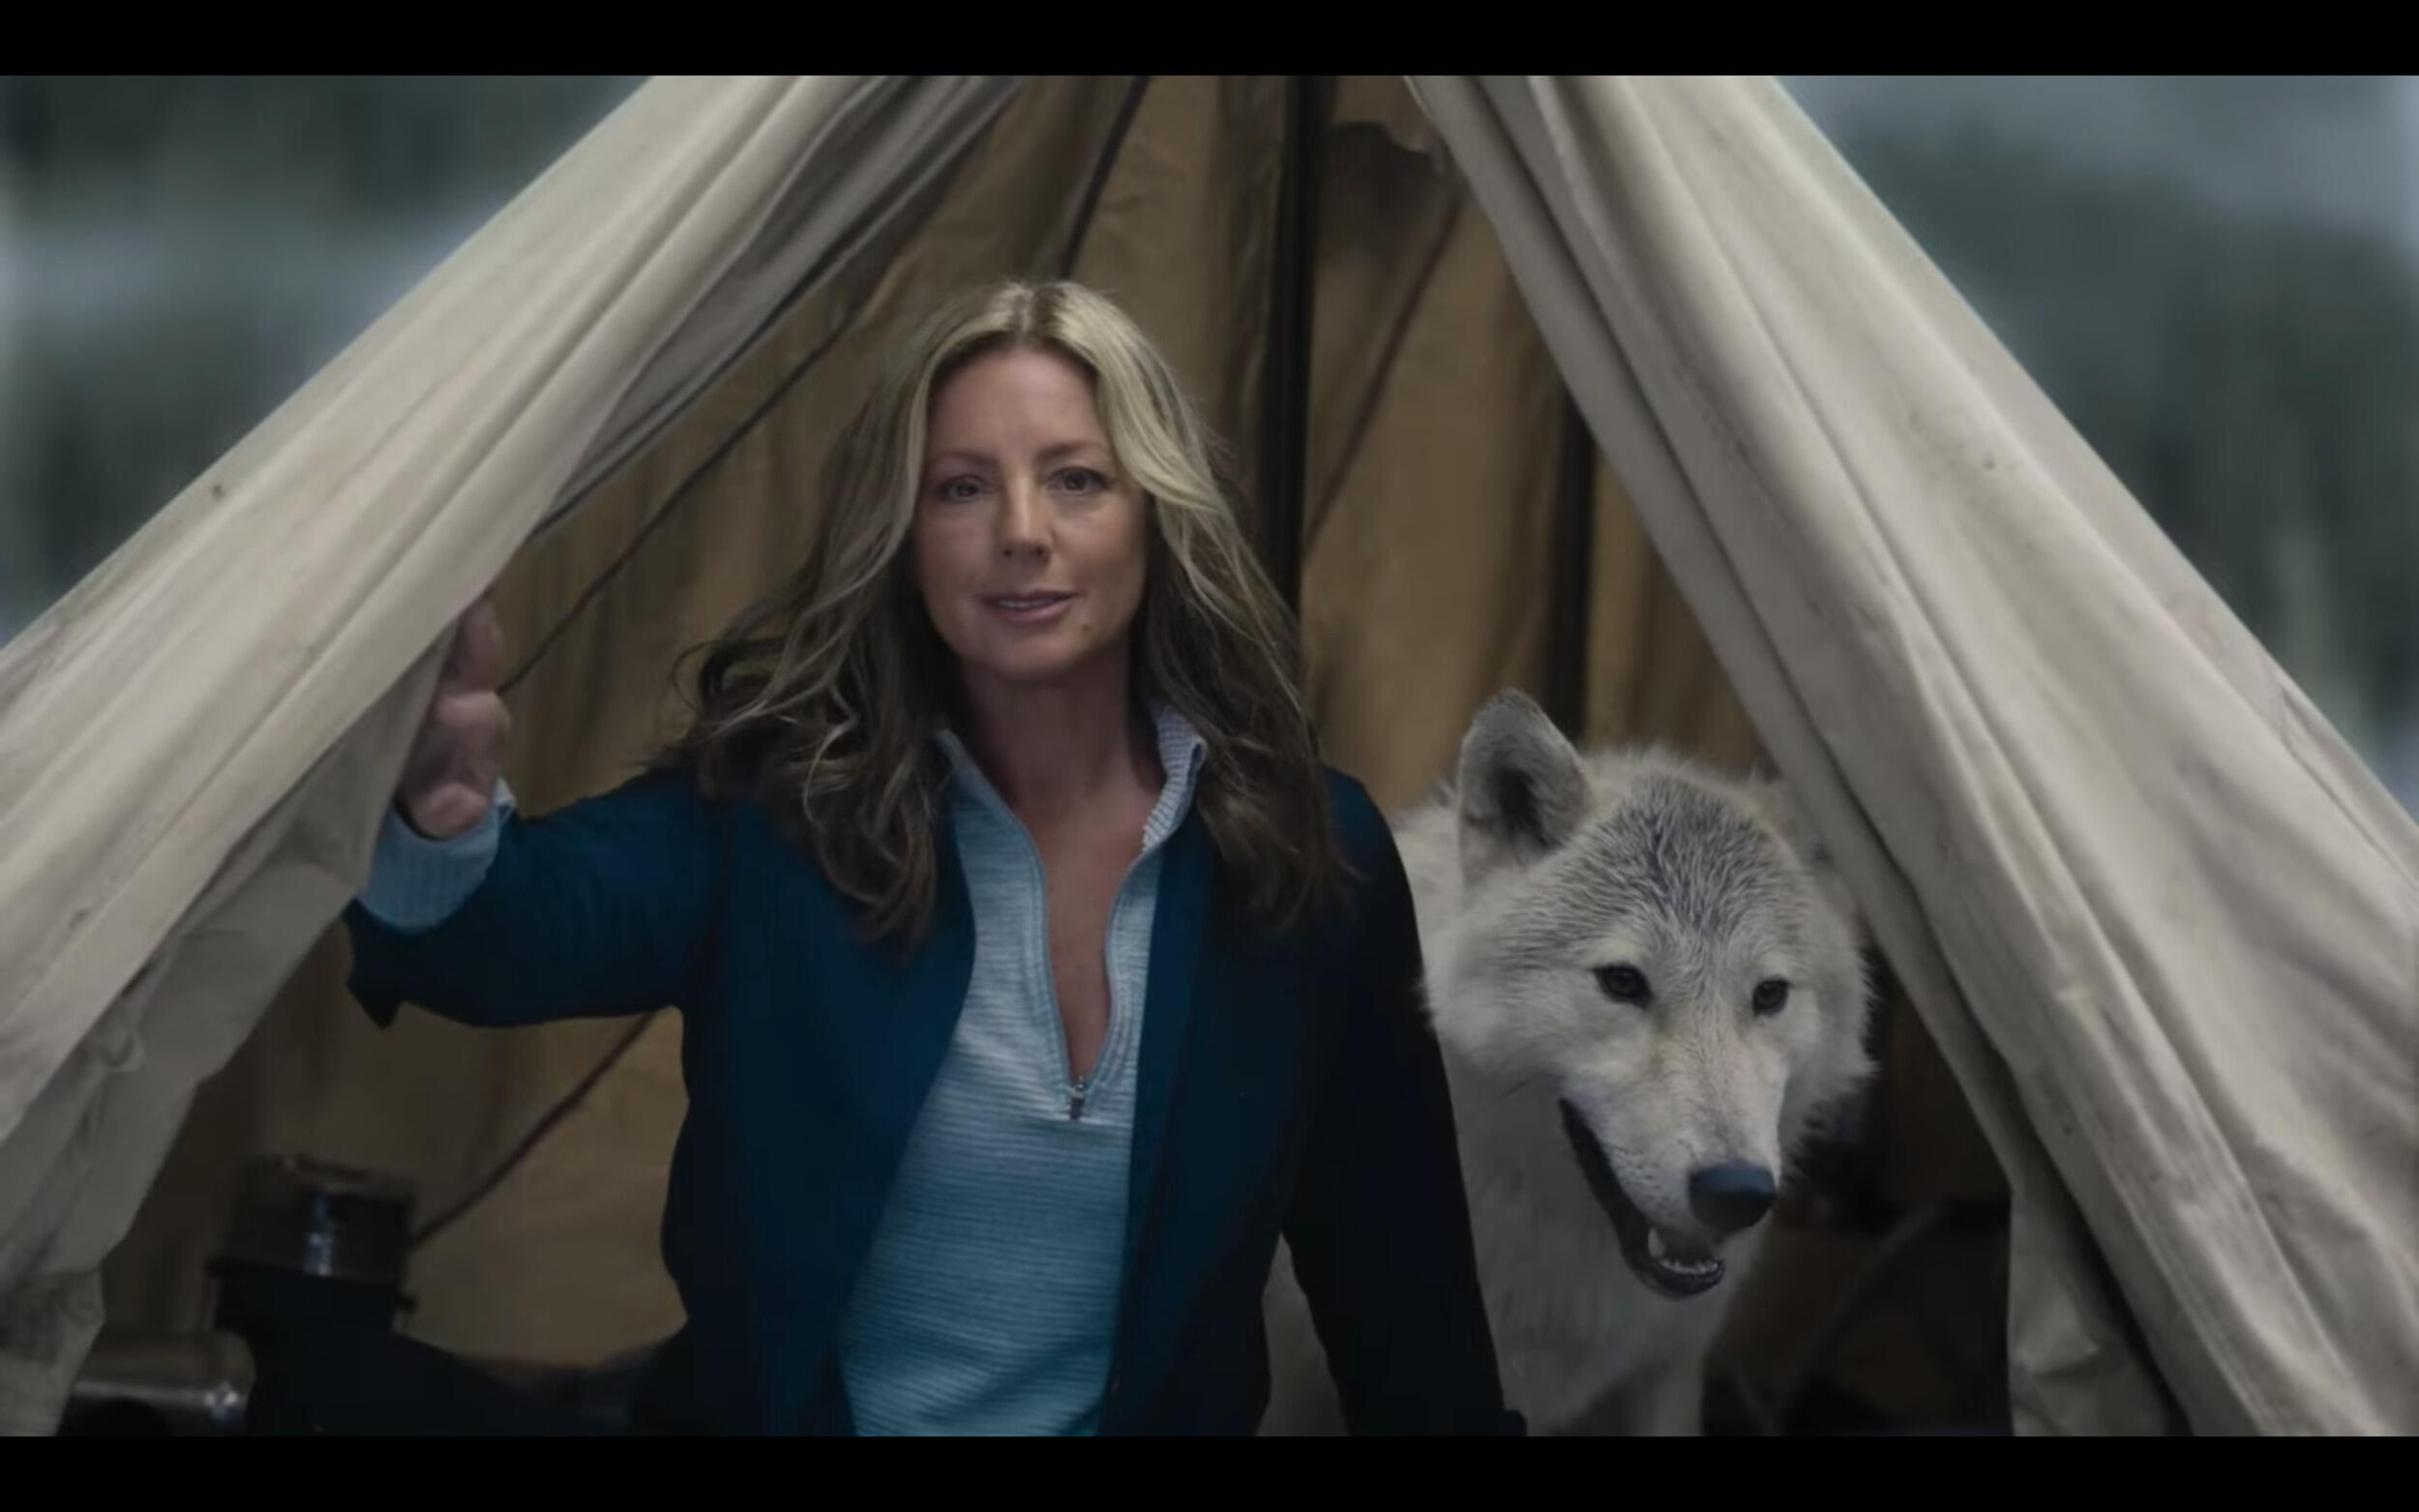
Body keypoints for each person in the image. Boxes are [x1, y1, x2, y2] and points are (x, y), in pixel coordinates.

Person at [343, 279, 1519, 1437]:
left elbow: (1396, 1283)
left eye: (1076, 478)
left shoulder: (1312, 853)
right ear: (901, 539)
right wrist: (437, 812)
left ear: (1157, 515)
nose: (1021, 532)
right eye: (961, 488)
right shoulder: (779, 817)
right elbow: (501, 937)